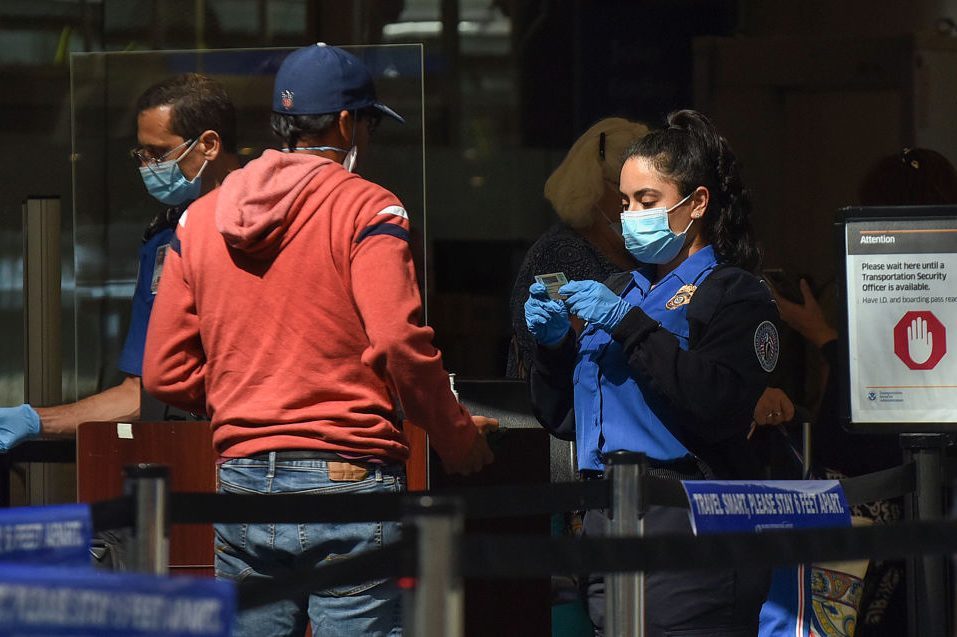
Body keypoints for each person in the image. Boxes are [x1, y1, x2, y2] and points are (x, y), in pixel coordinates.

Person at [141, 43, 496, 637]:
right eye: (369, 125)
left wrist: (252, 391)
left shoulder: (199, 219)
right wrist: (455, 437)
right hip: (348, 476)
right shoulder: (368, 207)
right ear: (344, 124)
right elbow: (399, 342)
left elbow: (162, 372)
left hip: (243, 479)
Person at [526, 109, 778, 636]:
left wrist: (630, 328)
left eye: (647, 201)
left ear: (697, 203)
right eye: (624, 202)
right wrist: (551, 349)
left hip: (686, 520)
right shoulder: (622, 289)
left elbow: (717, 403)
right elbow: (568, 418)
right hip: (606, 516)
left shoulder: (733, 292)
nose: (631, 216)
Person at [0, 73, 240, 451]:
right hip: (196, 450)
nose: (148, 165)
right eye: (141, 153)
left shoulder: (273, 223)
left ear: (208, 145)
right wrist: (35, 420)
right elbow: (139, 392)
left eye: (159, 153)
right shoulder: (164, 239)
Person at [507, 117, 649, 379]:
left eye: (647, 196)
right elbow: (562, 358)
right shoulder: (561, 253)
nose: (634, 205)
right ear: (591, 185)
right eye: (623, 190)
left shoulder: (641, 252)